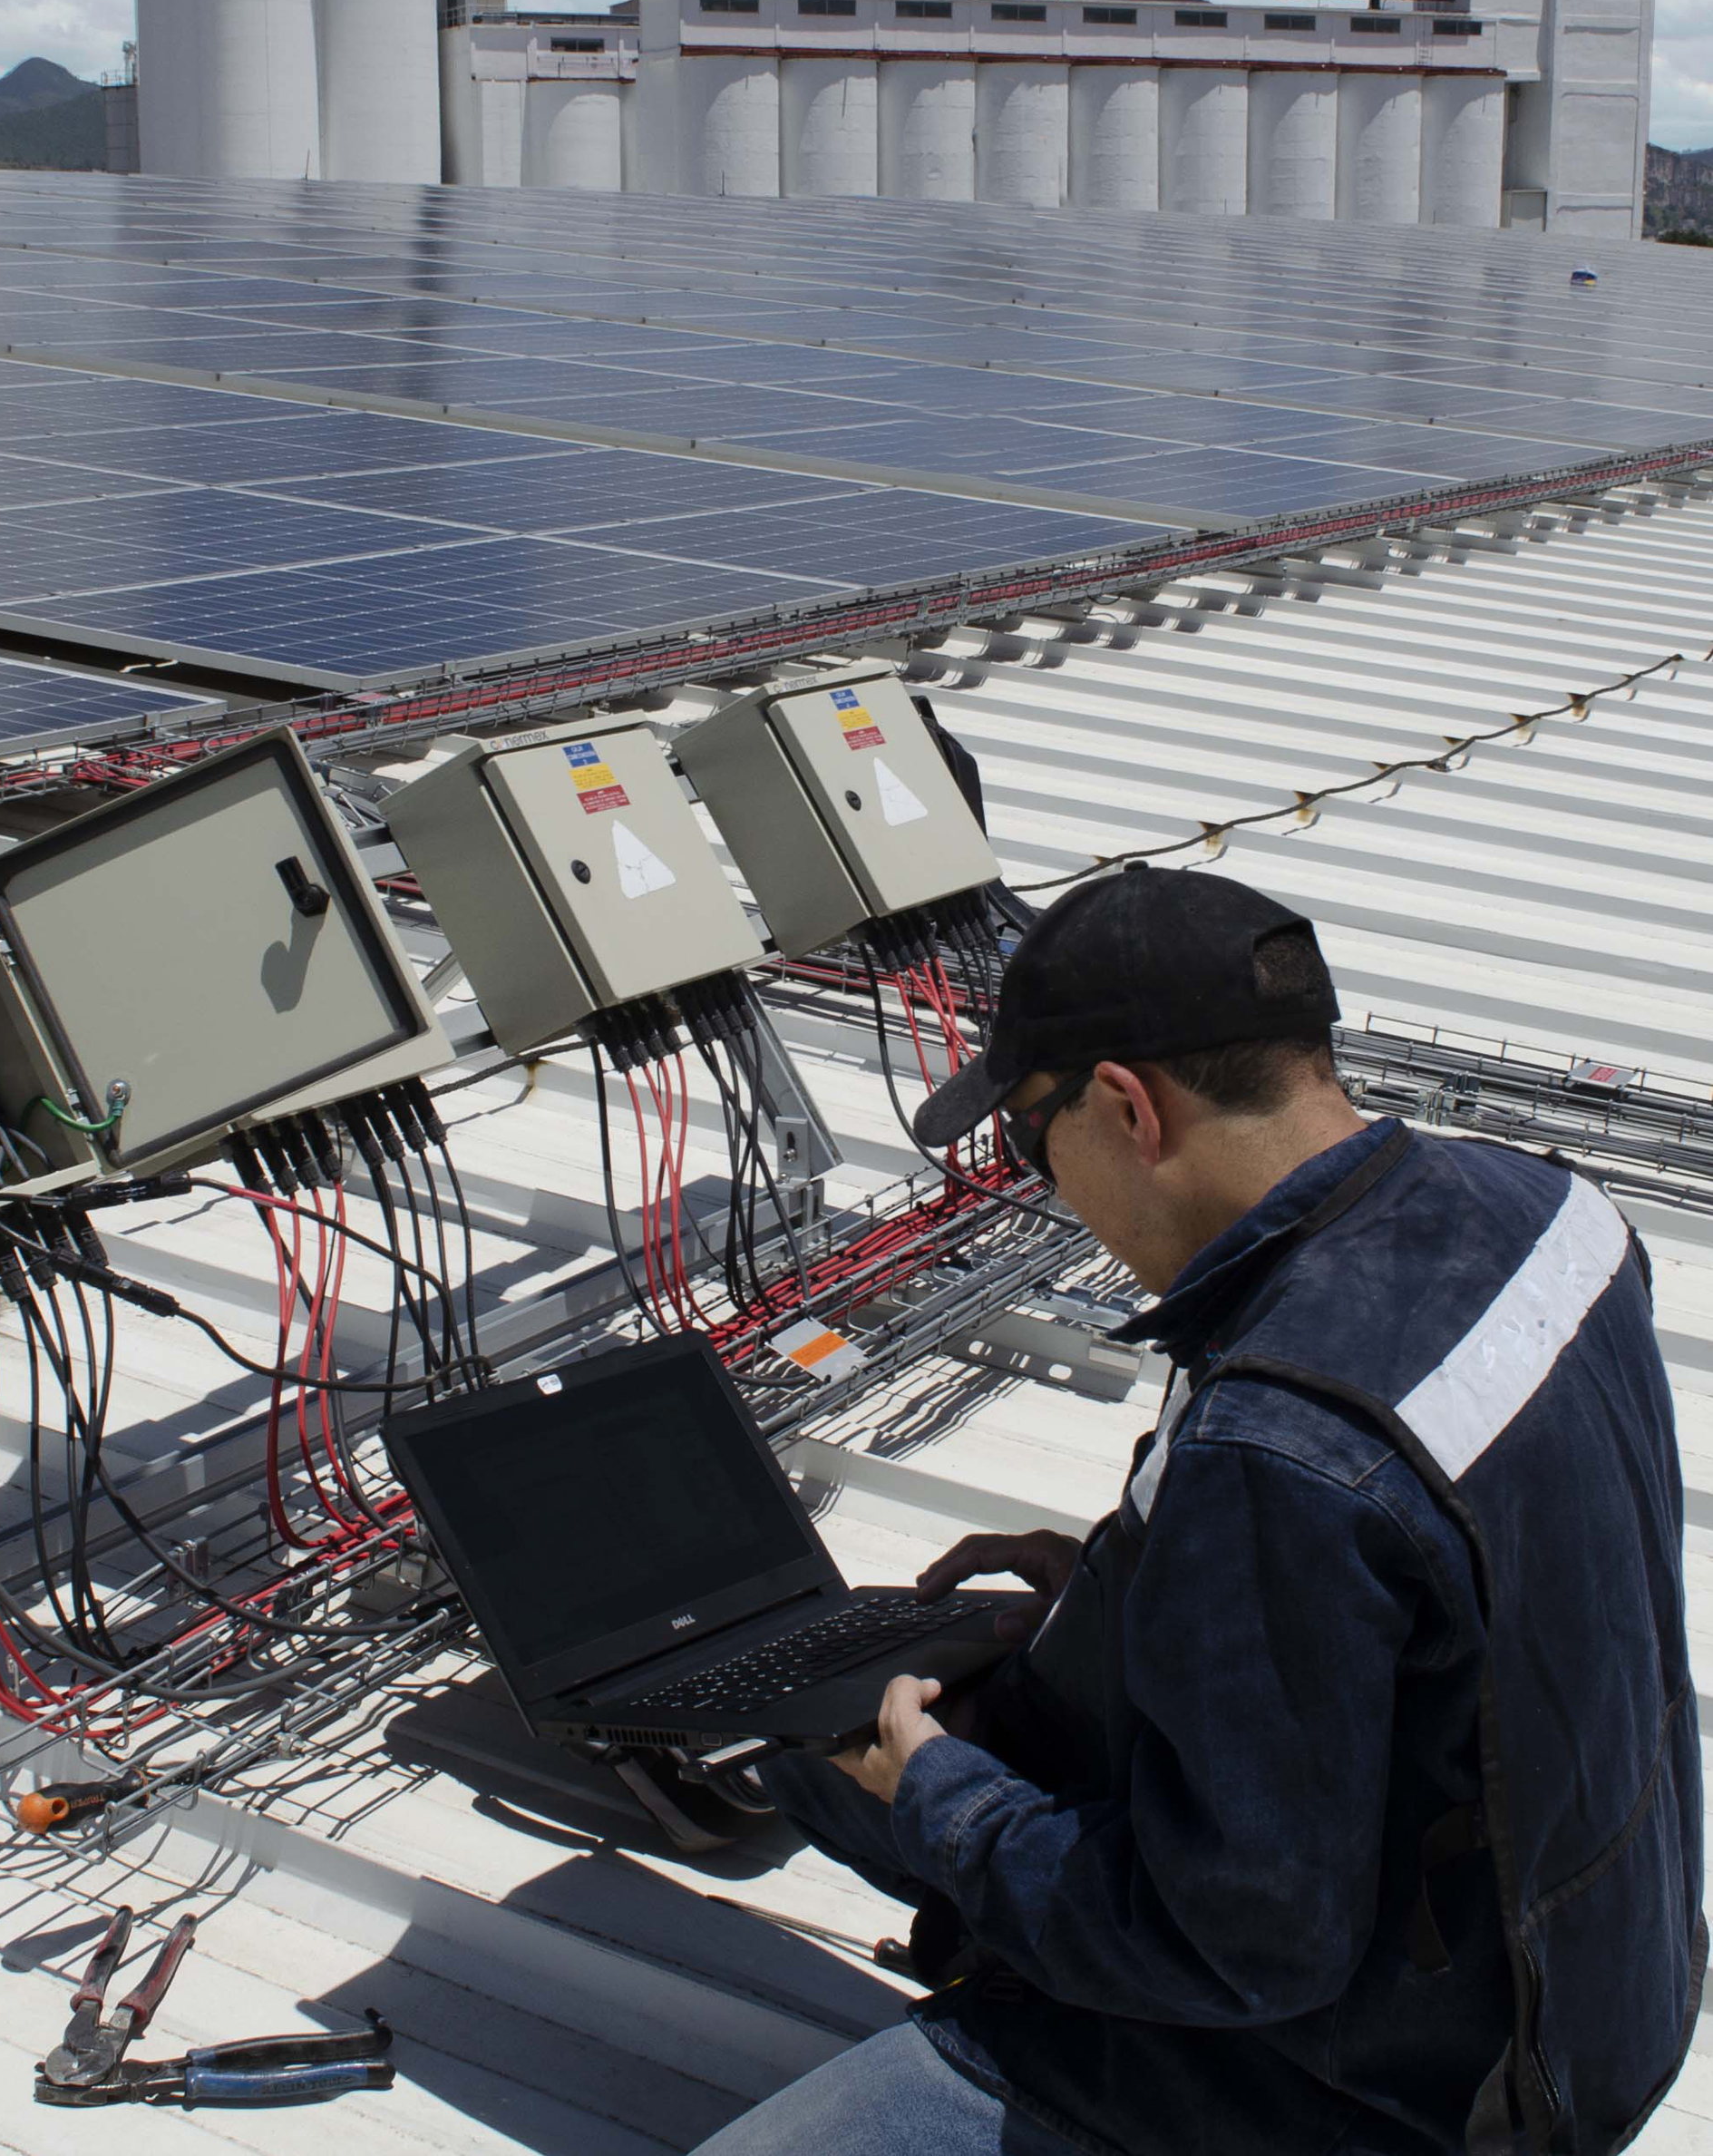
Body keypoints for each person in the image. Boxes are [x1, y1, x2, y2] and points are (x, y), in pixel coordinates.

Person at [700, 868, 1701, 2156]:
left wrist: (945, 1800)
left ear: (1125, 1105)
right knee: (852, 1752)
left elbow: (1231, 1949)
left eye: (1027, 1141)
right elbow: (1459, 1576)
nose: (1043, 1184)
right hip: (1597, 1991)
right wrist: (1151, 1584)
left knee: (893, 1784)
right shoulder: (1550, 1213)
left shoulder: (1280, 1447)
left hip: (1390, 2097)